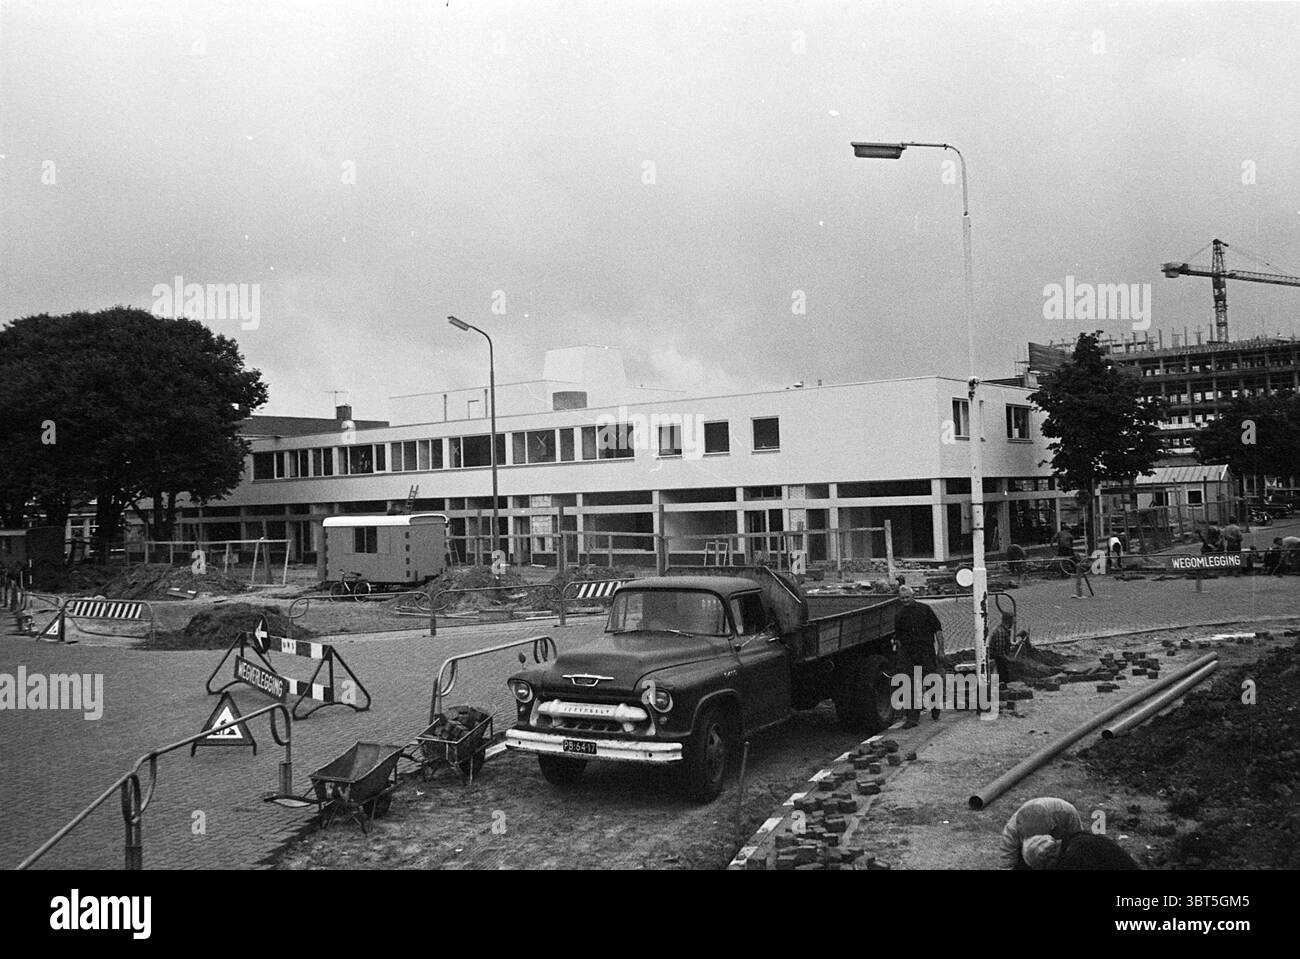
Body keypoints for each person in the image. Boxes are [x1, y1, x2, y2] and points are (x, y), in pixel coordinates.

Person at [893, 585, 944, 728]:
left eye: (907, 597)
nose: (905, 601)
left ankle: (935, 707)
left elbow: (938, 630)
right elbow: (898, 638)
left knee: (931, 680)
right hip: (909, 654)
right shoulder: (899, 615)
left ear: (912, 596)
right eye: (902, 598)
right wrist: (900, 657)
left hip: (926, 651)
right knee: (910, 685)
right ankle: (912, 718)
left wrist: (941, 650)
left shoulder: (925, 610)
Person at [1000, 797, 1083, 870]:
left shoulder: (1066, 813)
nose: (1039, 844)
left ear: (1051, 825)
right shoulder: (1011, 834)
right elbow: (1007, 865)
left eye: (1040, 841)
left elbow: (1078, 845)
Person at [987, 609, 1016, 682]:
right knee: (1005, 677)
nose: (1014, 622)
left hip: (999, 658)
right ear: (1009, 621)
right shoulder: (1001, 633)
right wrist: (1011, 660)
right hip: (998, 661)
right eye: (1013, 620)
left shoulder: (1003, 630)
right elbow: (1000, 654)